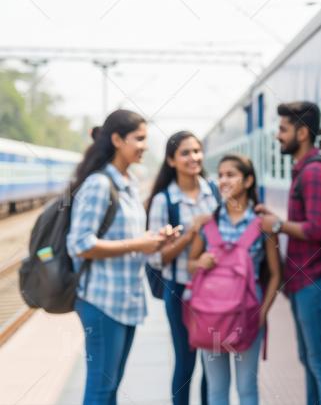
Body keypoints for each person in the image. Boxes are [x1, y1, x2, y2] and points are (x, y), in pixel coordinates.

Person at [67, 109, 179, 405]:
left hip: (124, 300)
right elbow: (79, 243)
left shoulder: (125, 184)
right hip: (102, 301)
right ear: (117, 139)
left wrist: (155, 241)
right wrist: (137, 244)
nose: (144, 145)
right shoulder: (99, 185)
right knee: (101, 390)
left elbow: (129, 240)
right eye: (138, 139)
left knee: (111, 388)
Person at [257, 101, 321, 405]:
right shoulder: (304, 171)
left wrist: (277, 224)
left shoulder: (314, 174)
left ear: (302, 132)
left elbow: (320, 229)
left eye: (283, 129)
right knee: (310, 360)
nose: (278, 136)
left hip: (315, 282)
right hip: (306, 282)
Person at [188, 154, 281, 405]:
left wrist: (263, 312)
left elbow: (275, 274)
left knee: (246, 387)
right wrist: (199, 263)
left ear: (248, 180)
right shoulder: (208, 222)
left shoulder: (263, 224)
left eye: (231, 175)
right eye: (220, 175)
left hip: (248, 312)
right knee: (216, 390)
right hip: (211, 314)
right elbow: (190, 264)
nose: (223, 180)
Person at [146, 131, 217, 405]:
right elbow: (156, 258)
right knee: (186, 363)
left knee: (213, 364)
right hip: (179, 291)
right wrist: (189, 235)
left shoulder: (213, 191)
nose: (194, 157)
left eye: (197, 151)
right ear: (171, 160)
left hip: (214, 291)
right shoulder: (164, 201)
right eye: (185, 153)